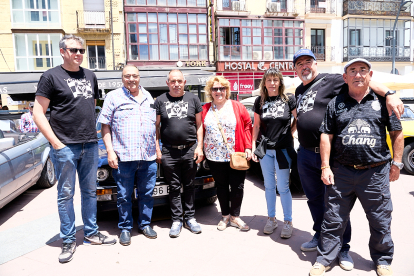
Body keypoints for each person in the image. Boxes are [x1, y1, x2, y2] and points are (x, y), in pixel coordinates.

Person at [292, 49, 403, 271]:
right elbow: (303, 118)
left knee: (375, 217)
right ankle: (322, 242)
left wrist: (390, 93)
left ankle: (352, 251)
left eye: (308, 62)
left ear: (316, 64)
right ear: (295, 69)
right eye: (299, 64)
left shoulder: (332, 80)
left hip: (350, 162)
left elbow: (363, 83)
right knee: (321, 205)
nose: (357, 75)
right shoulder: (298, 90)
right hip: (308, 154)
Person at [33, 34, 116, 264]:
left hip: (90, 144)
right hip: (65, 146)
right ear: (62, 51)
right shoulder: (50, 77)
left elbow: (90, 107)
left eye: (81, 50)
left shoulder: (90, 75)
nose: (78, 54)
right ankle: (68, 239)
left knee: (90, 192)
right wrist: (56, 143)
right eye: (73, 50)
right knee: (65, 194)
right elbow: (38, 113)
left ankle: (90, 233)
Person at [98, 65, 157, 245]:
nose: (131, 79)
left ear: (140, 77)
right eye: (127, 76)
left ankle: (145, 224)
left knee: (147, 193)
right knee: (124, 196)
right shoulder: (113, 97)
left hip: (148, 156)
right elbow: (105, 126)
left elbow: (155, 126)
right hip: (124, 157)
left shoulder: (148, 97)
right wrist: (110, 151)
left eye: (134, 76)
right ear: (122, 78)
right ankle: (125, 227)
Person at [154, 69, 204, 238]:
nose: (176, 84)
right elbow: (156, 127)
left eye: (179, 81)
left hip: (190, 149)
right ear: (168, 83)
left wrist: (199, 147)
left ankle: (190, 218)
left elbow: (199, 125)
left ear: (184, 82)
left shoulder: (193, 99)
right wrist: (157, 148)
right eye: (172, 81)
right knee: (174, 187)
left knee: (189, 185)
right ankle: (176, 220)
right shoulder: (160, 100)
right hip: (169, 150)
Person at [202, 76, 252, 231]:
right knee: (221, 186)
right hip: (214, 156)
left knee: (238, 186)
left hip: (235, 154)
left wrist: (248, 146)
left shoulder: (237, 106)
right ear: (210, 91)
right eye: (215, 88)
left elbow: (247, 125)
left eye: (222, 88)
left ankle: (235, 217)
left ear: (227, 90)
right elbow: (199, 129)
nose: (219, 91)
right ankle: (225, 216)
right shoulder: (205, 109)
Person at [251, 68, 296, 238]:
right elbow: (256, 126)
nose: (272, 83)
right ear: (264, 83)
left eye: (275, 80)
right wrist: (253, 147)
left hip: (283, 150)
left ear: (280, 82)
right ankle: (271, 219)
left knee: (283, 187)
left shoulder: (288, 99)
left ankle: (288, 221)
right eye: (269, 80)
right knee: (268, 186)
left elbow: (298, 119)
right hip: (265, 150)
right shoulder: (259, 101)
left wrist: (289, 133)